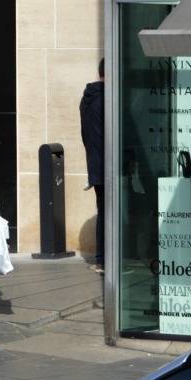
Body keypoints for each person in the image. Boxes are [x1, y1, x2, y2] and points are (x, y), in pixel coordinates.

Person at [79, 58, 105, 274]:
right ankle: (105, 260)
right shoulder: (105, 99)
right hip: (107, 166)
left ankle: (102, 259)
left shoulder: (88, 98)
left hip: (96, 164)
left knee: (103, 212)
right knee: (109, 214)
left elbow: (84, 135)